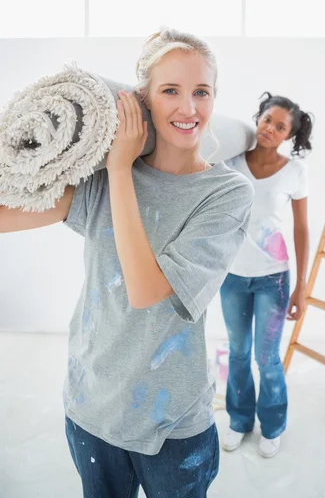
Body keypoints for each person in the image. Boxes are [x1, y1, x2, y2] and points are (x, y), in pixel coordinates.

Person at [0, 29, 254, 497]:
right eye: (170, 91)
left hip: (171, 426)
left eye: (201, 92)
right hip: (90, 407)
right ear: (142, 100)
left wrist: (120, 168)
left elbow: (145, 290)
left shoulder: (227, 194)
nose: (188, 108)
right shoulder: (100, 178)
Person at [221, 92, 313, 458]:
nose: (269, 129)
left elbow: (302, 229)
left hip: (274, 279)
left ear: (289, 136)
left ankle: (272, 425)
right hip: (232, 275)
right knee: (239, 353)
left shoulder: (294, 171)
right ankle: (239, 420)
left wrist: (301, 287)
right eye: (267, 120)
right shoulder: (229, 162)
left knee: (267, 357)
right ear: (257, 117)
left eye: (280, 127)